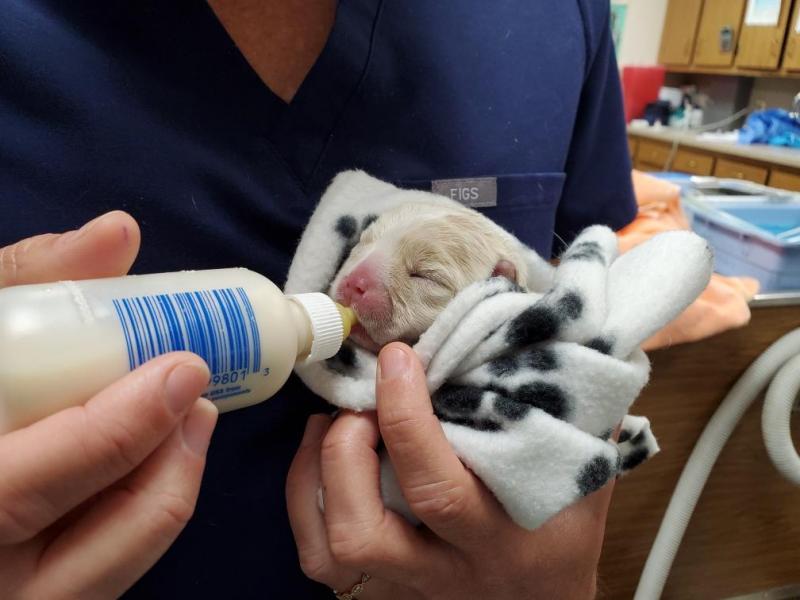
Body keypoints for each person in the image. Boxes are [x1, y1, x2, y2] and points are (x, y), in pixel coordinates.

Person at [0, 1, 635, 597]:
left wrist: (559, 579)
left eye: (425, 277)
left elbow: (580, 302)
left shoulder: (557, 18)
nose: (352, 280)